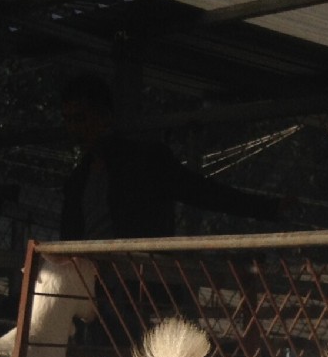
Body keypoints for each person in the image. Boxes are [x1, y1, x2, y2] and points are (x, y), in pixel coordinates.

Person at [57, 73, 286, 241]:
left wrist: (269, 208)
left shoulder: (143, 162)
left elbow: (203, 192)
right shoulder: (79, 179)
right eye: (68, 120)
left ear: (104, 117)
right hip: (88, 282)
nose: (74, 129)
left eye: (80, 119)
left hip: (134, 281)